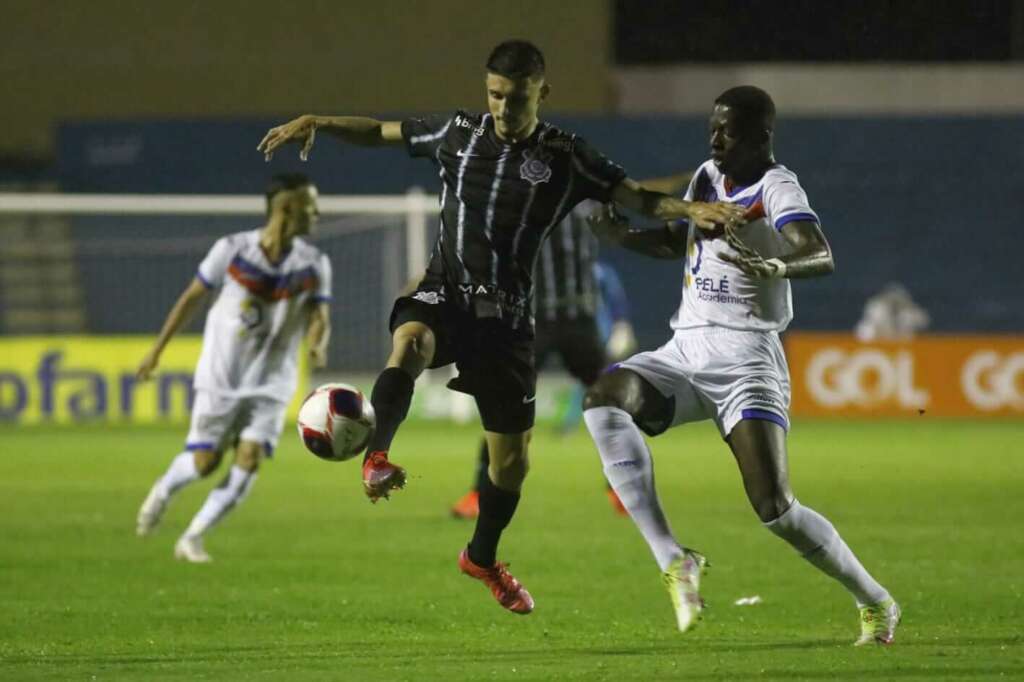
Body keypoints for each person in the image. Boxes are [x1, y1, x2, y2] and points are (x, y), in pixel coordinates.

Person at [257, 40, 744, 614]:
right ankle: (376, 457)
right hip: (447, 290)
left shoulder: (567, 155)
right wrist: (321, 121)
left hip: (508, 318)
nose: (503, 108)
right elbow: (382, 132)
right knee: (410, 342)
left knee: (509, 465)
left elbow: (633, 196)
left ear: (542, 92)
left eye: (515, 98)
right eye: (494, 95)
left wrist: (689, 210)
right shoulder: (457, 133)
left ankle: (482, 559)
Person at [583, 86, 900, 645]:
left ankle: (875, 600)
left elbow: (818, 251)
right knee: (604, 401)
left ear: (760, 137)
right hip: (684, 350)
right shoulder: (706, 176)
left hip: (748, 360)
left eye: (726, 130)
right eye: (712, 127)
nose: (714, 138)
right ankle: (674, 558)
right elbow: (676, 243)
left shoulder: (777, 185)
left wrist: (777, 263)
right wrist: (621, 236)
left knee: (775, 509)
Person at [135, 174, 331, 563]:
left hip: (273, 381)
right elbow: (191, 299)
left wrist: (317, 344)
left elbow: (319, 315)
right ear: (286, 208)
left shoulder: (314, 262)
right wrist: (156, 351)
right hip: (222, 376)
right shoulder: (232, 250)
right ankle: (163, 490)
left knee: (250, 457)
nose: (317, 213)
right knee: (205, 463)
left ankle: (193, 537)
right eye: (311, 205)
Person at [447, 201, 634, 520]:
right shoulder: (522, 201)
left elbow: (636, 195)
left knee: (612, 402)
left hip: (581, 322)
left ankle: (624, 488)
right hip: (535, 322)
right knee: (506, 405)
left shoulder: (588, 198)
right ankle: (481, 493)